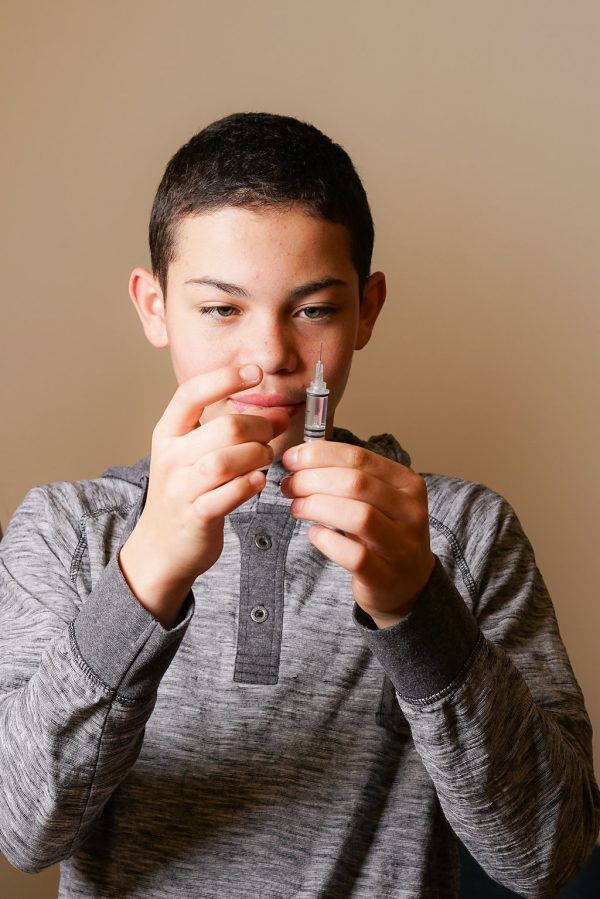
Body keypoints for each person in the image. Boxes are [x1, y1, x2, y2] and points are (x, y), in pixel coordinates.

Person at [0, 112, 598, 899]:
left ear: (367, 309)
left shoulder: (462, 531)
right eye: (221, 309)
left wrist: (417, 606)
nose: (272, 355)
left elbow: (546, 856)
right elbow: (24, 832)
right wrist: (143, 576)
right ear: (154, 306)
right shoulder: (67, 531)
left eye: (313, 309)